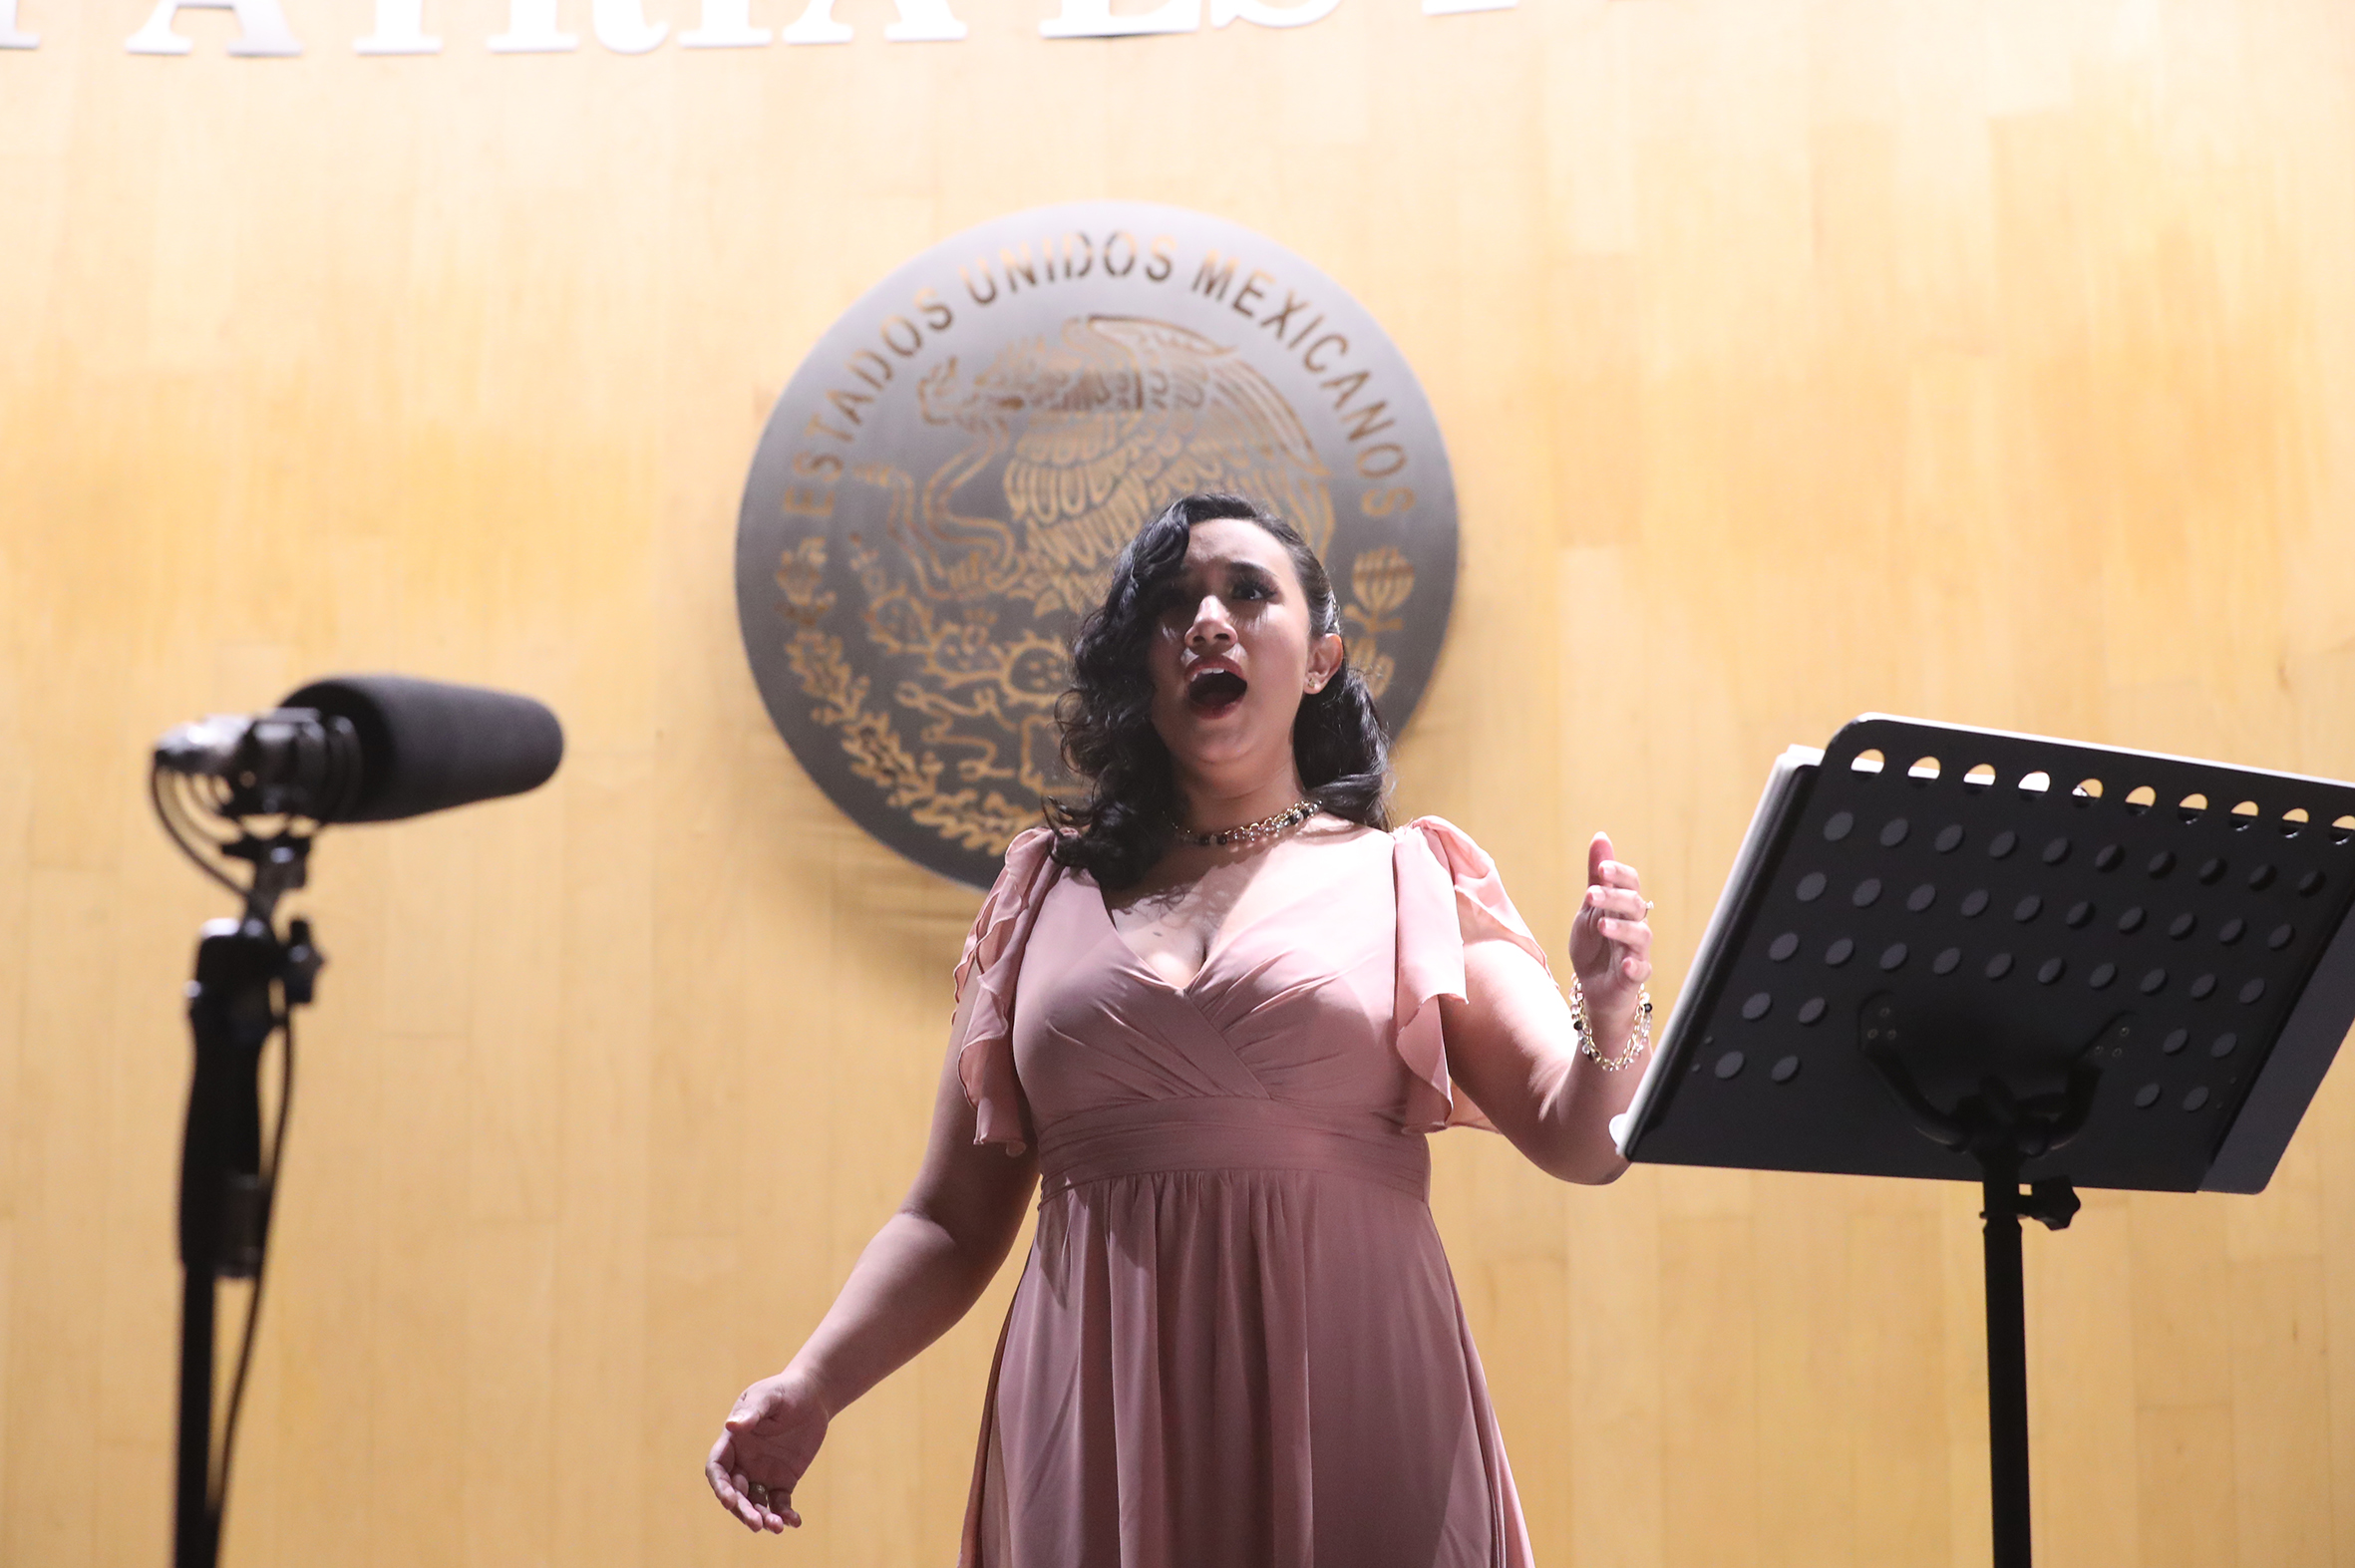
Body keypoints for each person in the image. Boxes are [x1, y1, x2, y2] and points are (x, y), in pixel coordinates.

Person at [707, 492, 1655, 1565]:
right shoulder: (1040, 894)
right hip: (1098, 1410)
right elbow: (949, 1220)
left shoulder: (1411, 877)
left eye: (1248, 593)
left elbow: (1581, 1137)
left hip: (1355, 1399)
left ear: (1321, 658)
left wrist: (1609, 1006)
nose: (1208, 621)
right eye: (1172, 603)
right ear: (1141, 668)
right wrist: (813, 1382)